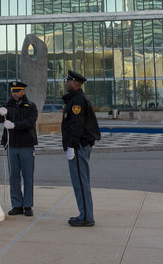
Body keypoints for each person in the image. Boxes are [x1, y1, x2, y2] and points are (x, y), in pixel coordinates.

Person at [61, 69, 100, 227]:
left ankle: (86, 217)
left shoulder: (77, 101)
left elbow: (77, 126)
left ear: (75, 83)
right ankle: (85, 214)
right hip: (79, 146)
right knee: (80, 181)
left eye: (68, 81)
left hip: (78, 147)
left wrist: (71, 145)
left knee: (80, 182)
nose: (66, 83)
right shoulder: (76, 99)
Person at [0, 80, 38, 216]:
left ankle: (27, 205)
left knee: (28, 176)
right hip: (12, 144)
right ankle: (17, 205)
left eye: (17, 91)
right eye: (13, 91)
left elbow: (30, 122)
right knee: (14, 176)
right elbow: (0, 119)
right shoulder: (7, 106)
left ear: (23, 91)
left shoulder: (30, 106)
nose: (15, 93)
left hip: (26, 144)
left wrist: (15, 125)